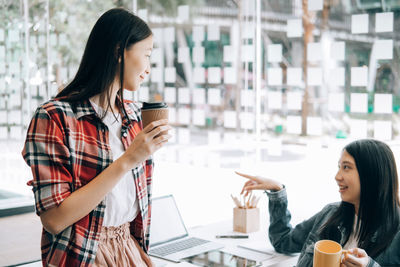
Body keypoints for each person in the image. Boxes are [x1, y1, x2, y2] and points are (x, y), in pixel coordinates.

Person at [22, 8, 171, 266]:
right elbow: (55, 220)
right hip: (82, 254)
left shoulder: (134, 116)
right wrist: (127, 160)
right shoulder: (54, 117)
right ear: (118, 51)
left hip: (130, 248)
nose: (148, 67)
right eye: (146, 55)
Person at [237, 139, 400, 267]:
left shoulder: (396, 231)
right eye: (339, 167)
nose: (337, 176)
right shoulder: (331, 213)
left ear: (371, 175)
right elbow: (283, 242)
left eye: (346, 167)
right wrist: (277, 192)